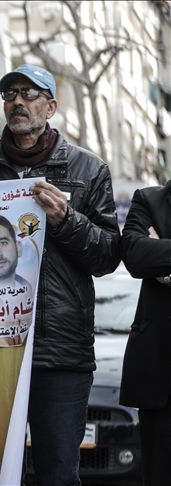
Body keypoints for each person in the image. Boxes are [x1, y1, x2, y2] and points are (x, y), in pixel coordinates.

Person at [0, 64, 120, 485]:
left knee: (58, 473)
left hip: (60, 354)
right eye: (10, 94)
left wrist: (67, 220)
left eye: (29, 94)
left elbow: (108, 257)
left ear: (50, 107)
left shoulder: (88, 170)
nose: (17, 101)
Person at [118, 180, 171, 485]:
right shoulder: (149, 200)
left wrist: (164, 267)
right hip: (161, 381)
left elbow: (150, 256)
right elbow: (135, 256)